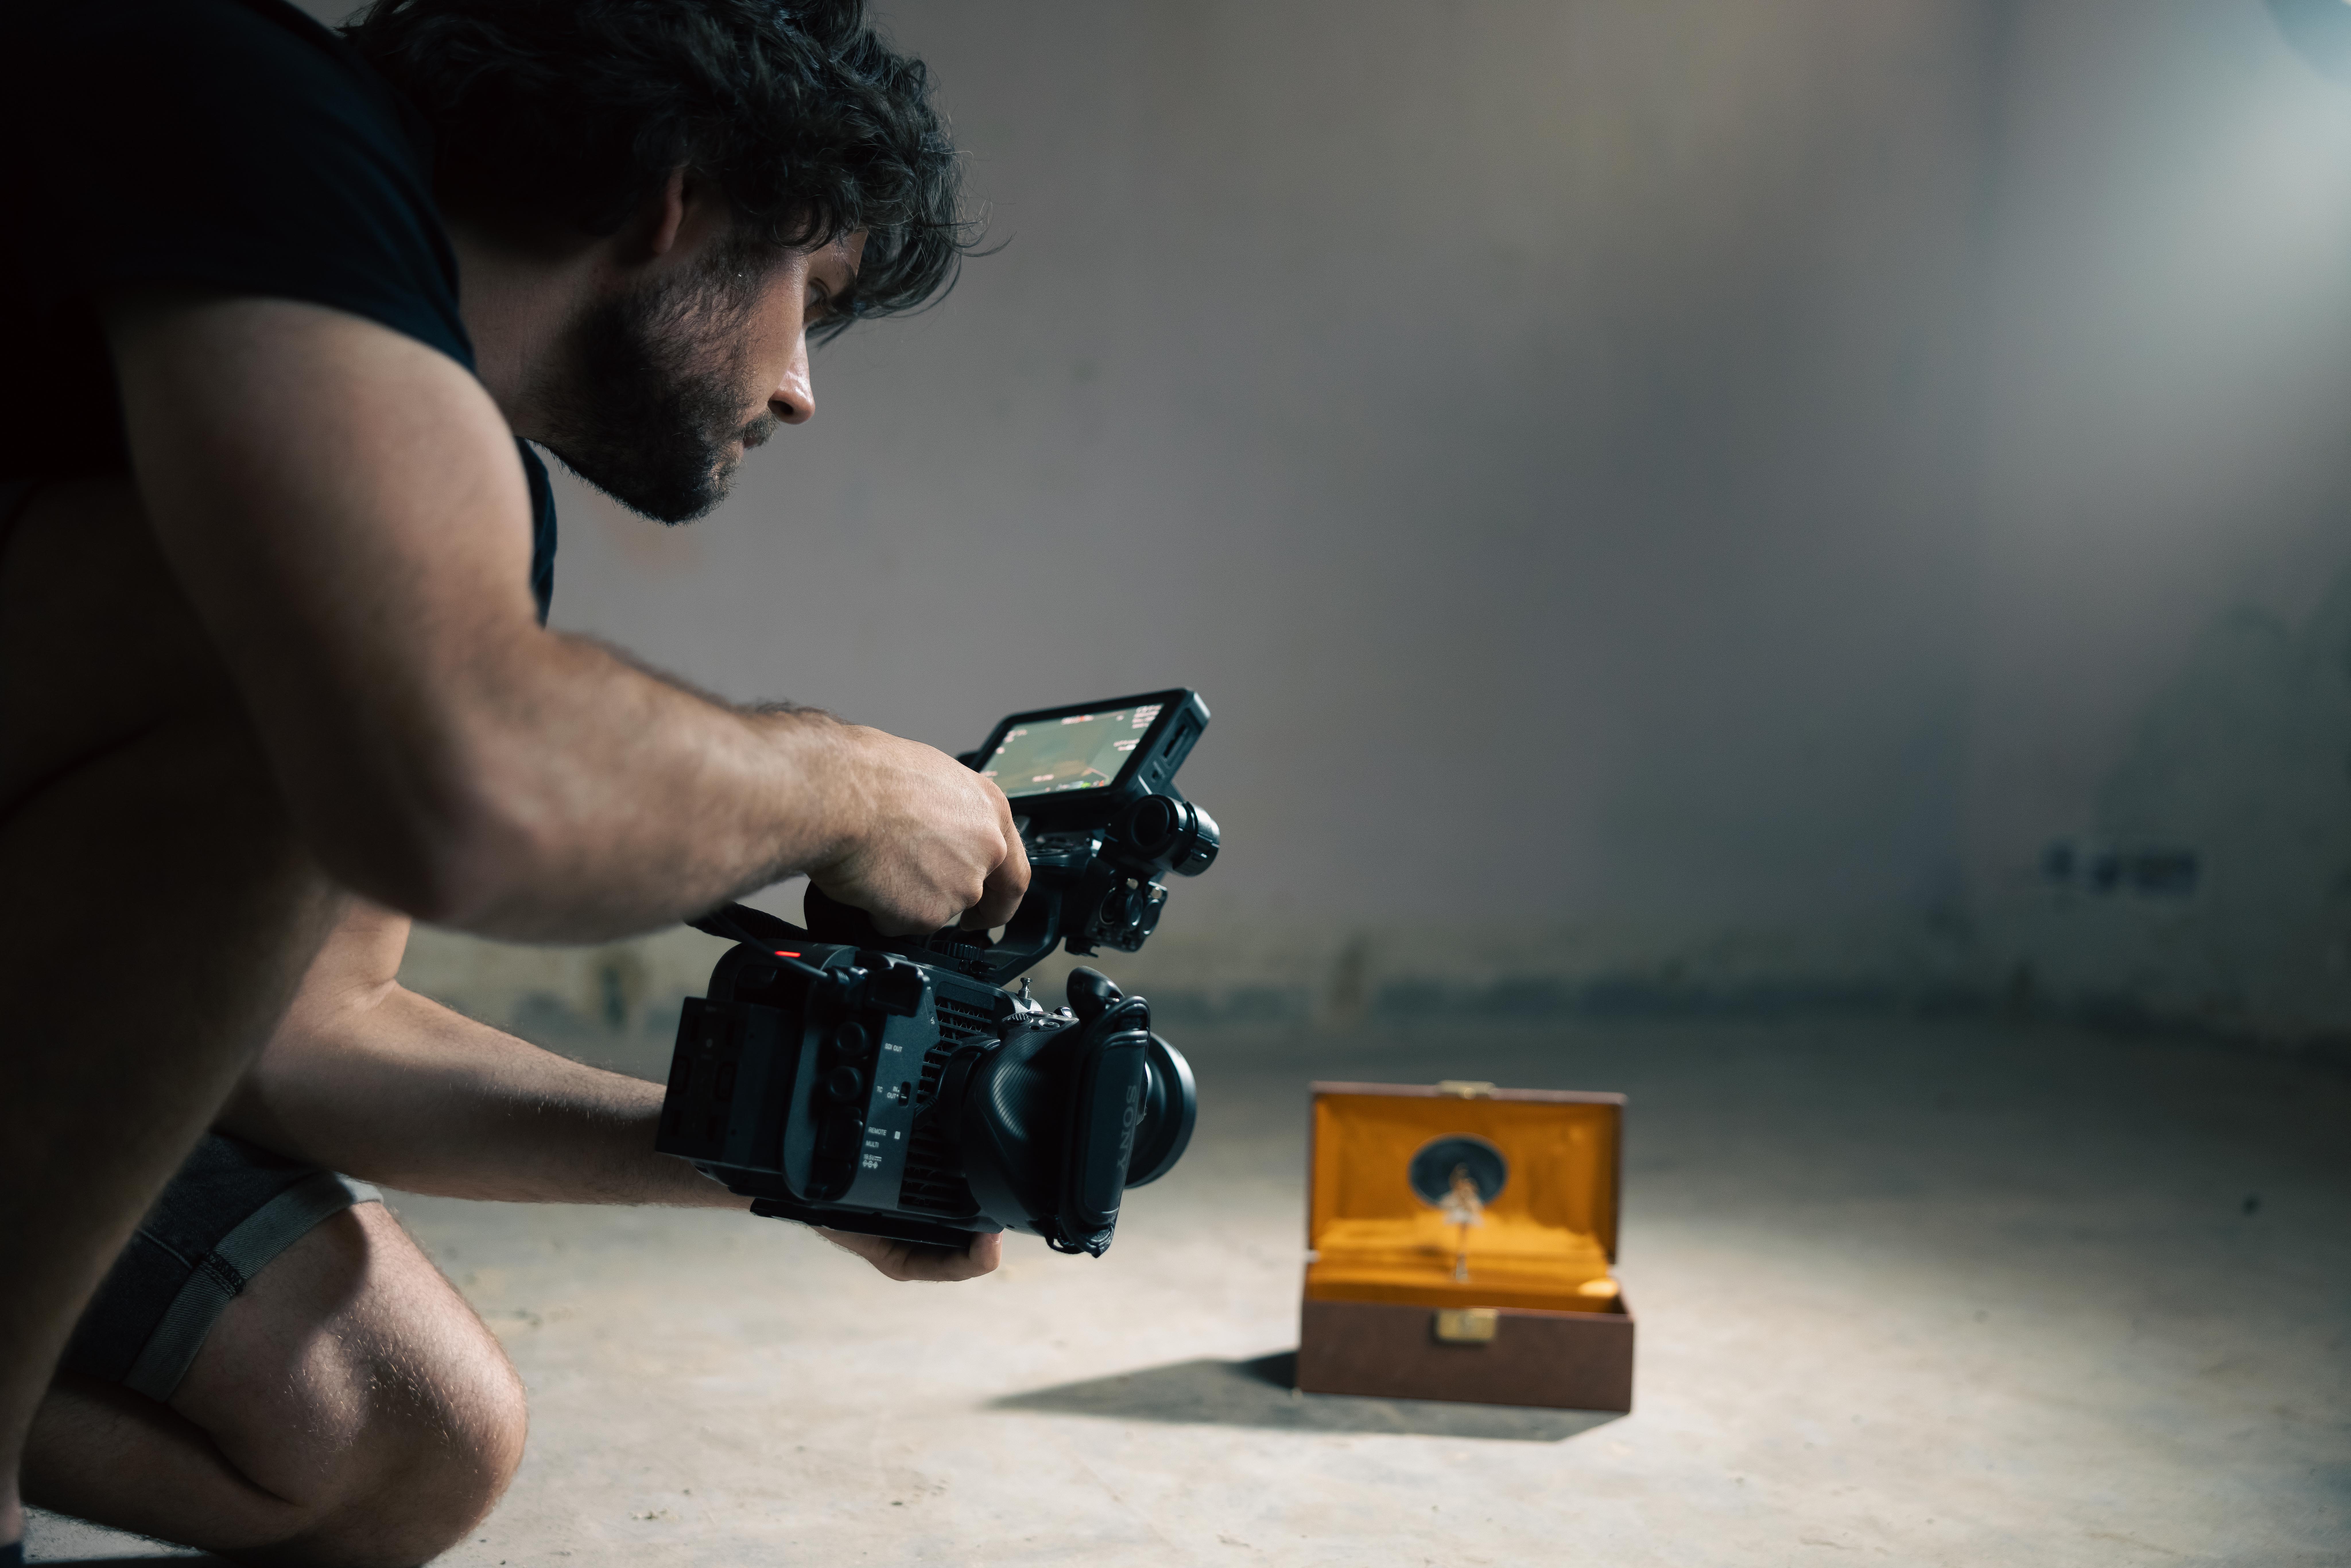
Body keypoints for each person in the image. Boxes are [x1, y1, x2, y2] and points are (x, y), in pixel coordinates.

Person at [0, 1, 1031, 1563]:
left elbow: (302, 1031)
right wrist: (851, 791)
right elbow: (465, 785)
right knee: (310, 669)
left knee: (399, 1435)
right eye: (805, 292)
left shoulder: (462, 484)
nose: (802, 386)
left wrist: (775, 1158)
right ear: (678, 197)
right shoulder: (239, 105)